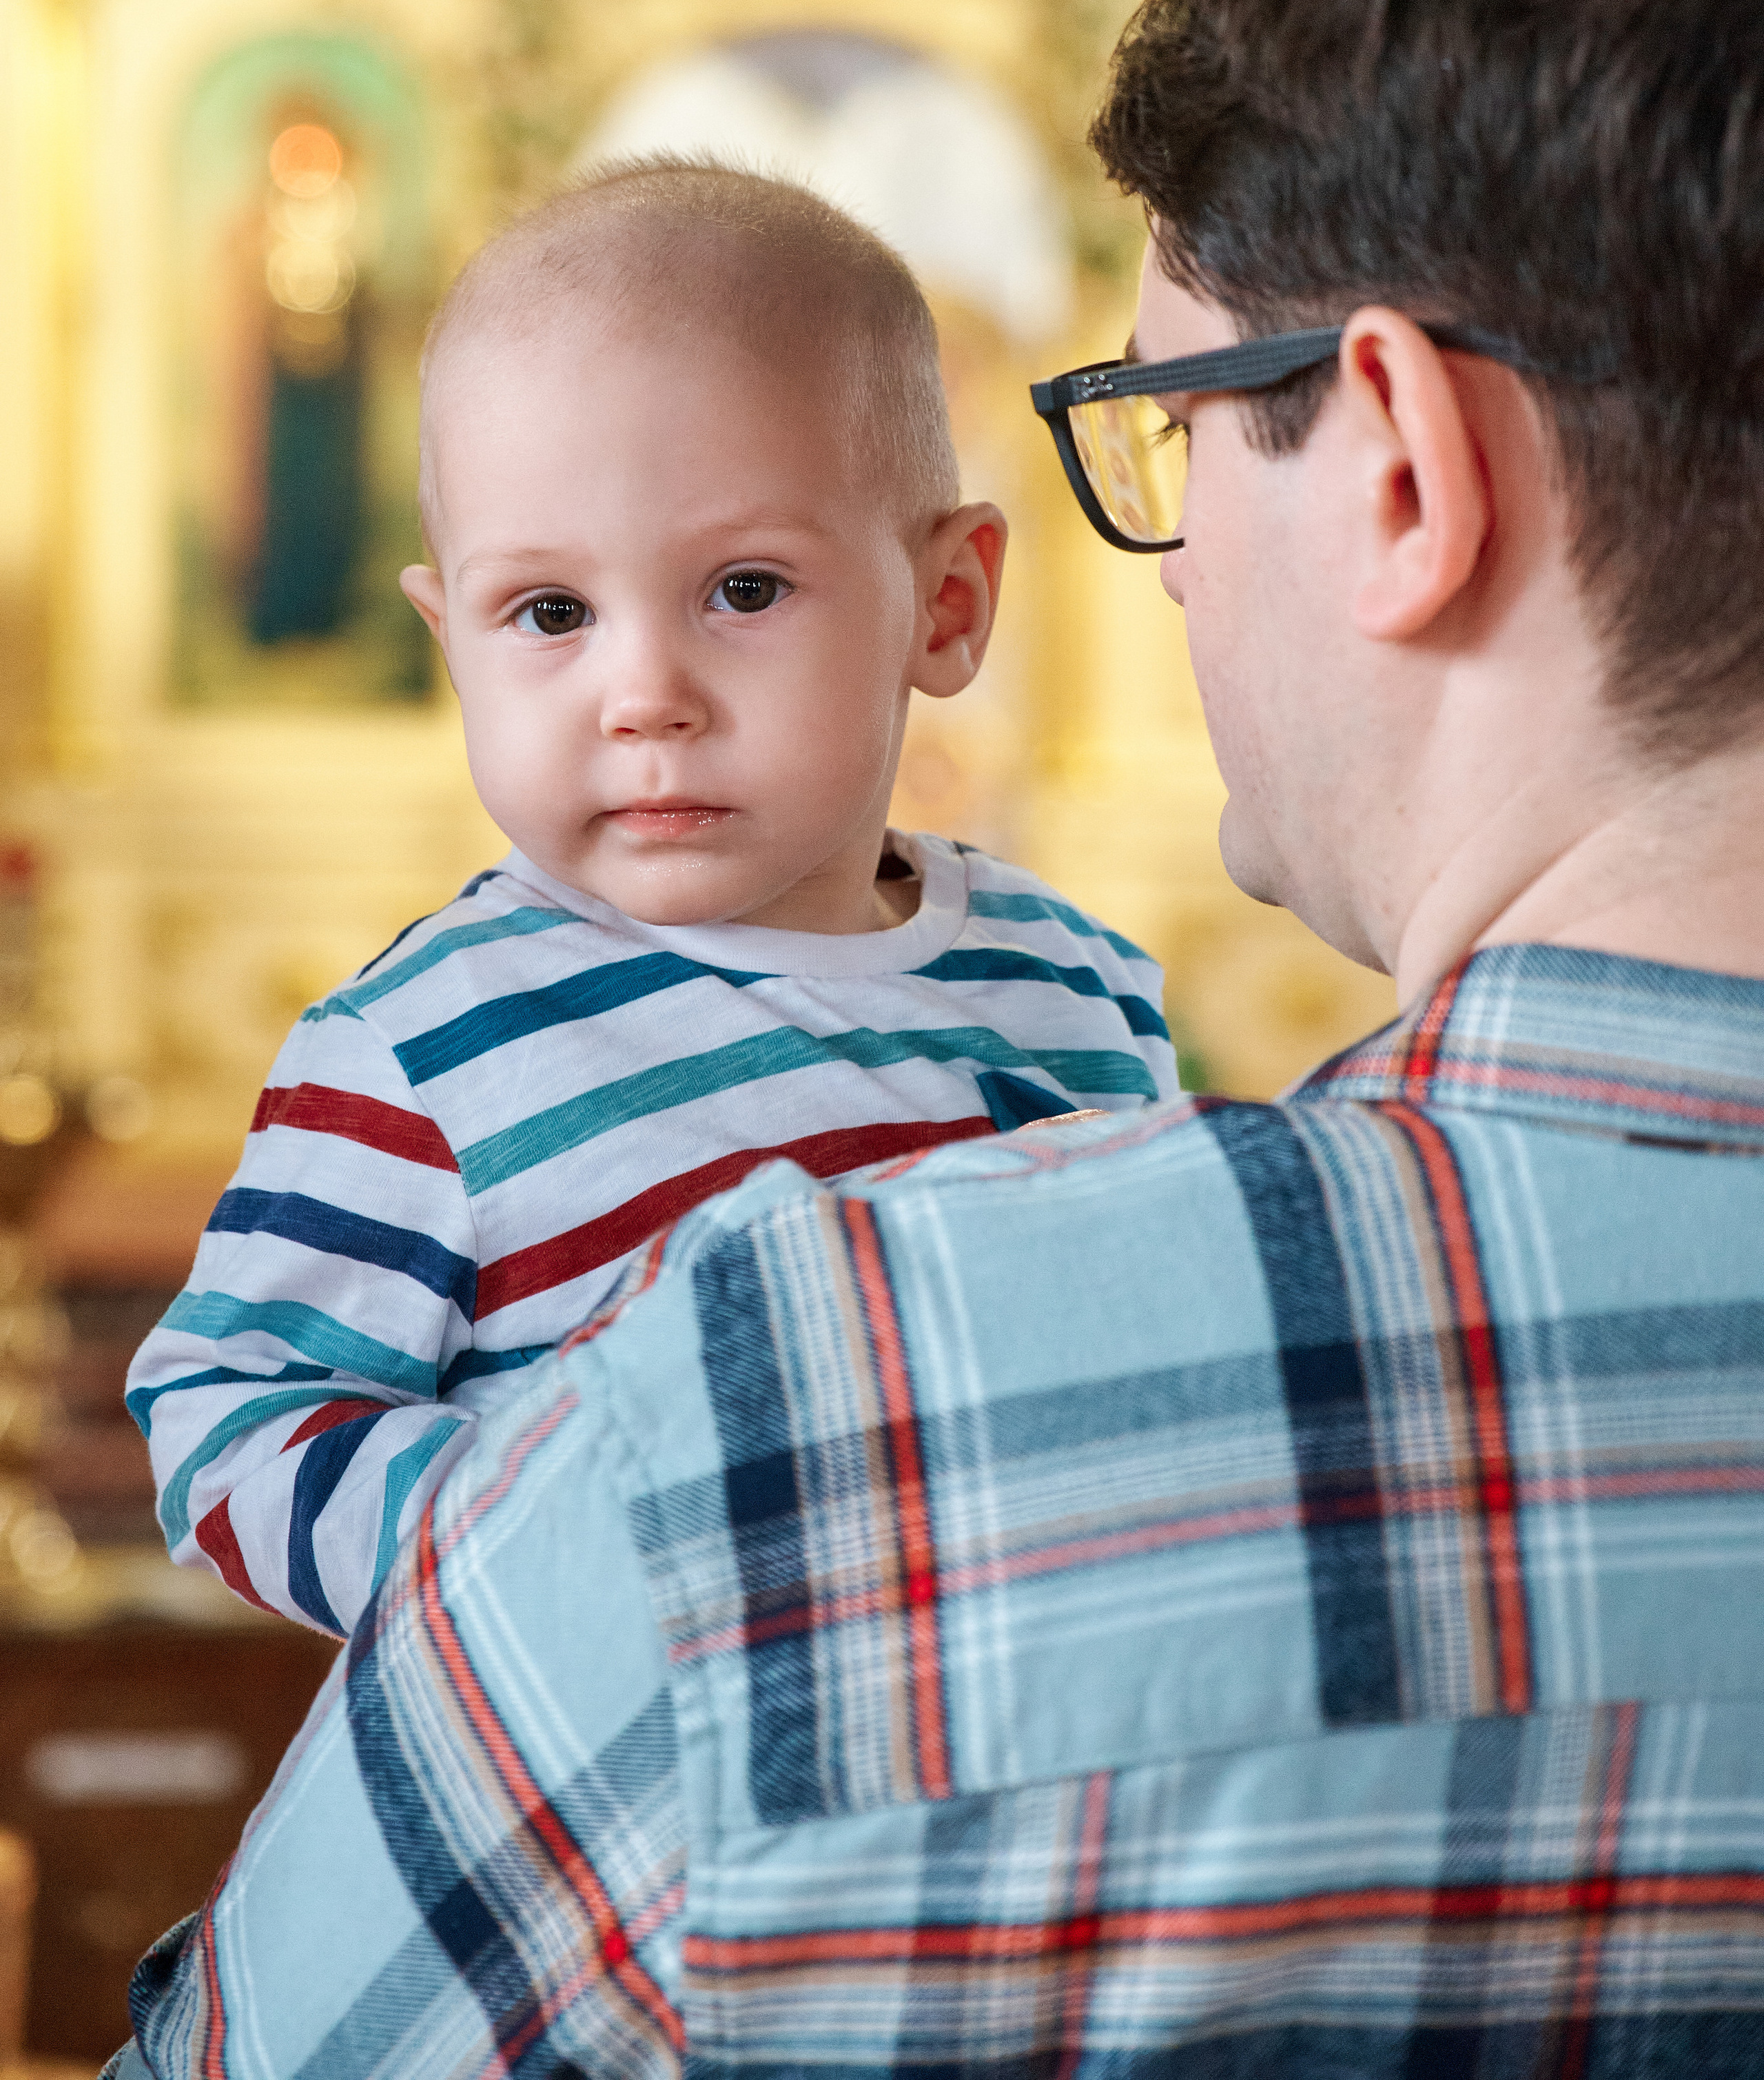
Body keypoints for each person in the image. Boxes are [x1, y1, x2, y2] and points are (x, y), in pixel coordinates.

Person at [112, 0, 1764, 2074]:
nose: (1171, 547)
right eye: (545, 612)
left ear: (1408, 466)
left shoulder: (750, 1457)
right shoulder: (436, 1053)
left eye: (1178, 422)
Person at [125, 163, 1176, 1636]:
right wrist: (553, 1558)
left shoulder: (1080, 987)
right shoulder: (422, 1054)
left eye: (742, 590)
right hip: (634, 1817)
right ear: (453, 642)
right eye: (548, 614)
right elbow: (228, 1418)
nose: (643, 698)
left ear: (944, 604)